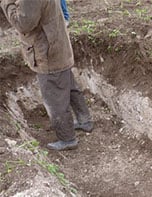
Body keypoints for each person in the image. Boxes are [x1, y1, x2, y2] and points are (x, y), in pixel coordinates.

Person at [1, 0, 93, 151]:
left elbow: (24, 24)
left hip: (48, 52)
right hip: (57, 46)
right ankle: (85, 121)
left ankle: (67, 138)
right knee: (69, 86)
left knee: (55, 98)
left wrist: (6, 3)